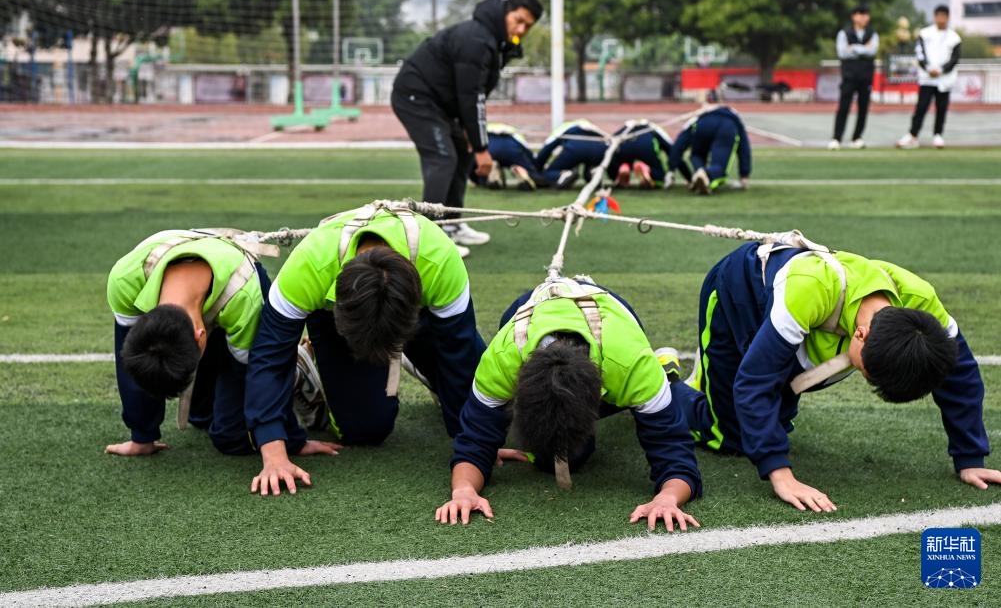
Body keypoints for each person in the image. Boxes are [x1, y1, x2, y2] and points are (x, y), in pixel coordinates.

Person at [671, 240, 1000, 512]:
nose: (865, 378)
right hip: (737, 293)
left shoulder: (921, 302)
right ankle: (666, 383)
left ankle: (714, 391)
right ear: (861, 334)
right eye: (868, 374)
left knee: (772, 420)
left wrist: (969, 456)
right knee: (729, 435)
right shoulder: (809, 290)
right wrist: (780, 474)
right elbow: (755, 381)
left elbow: (960, 371)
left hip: (799, 330)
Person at [244, 203, 486, 496]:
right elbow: (270, 354)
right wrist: (274, 454)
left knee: (475, 386)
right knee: (365, 430)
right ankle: (309, 364)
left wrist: (475, 444)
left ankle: (429, 369)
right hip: (336, 316)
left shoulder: (439, 260)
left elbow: (460, 353)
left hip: (420, 311)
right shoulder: (310, 265)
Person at [436, 277, 702, 530]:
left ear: (598, 402)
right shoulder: (503, 358)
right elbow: (473, 442)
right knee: (557, 459)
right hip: (526, 308)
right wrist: (464, 490)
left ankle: (667, 378)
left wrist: (668, 497)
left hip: (614, 315)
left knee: (582, 450)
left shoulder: (631, 365)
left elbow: (674, 452)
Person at [105, 230, 336, 460]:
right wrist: (141, 436)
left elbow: (264, 370)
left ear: (200, 335)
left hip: (237, 287)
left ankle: (297, 372)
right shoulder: (125, 280)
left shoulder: (245, 297)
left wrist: (291, 439)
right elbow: (136, 364)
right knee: (202, 417)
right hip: (203, 287)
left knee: (232, 437)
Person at [392, 0, 543, 250]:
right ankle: (429, 238)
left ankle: (451, 224)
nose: (520, 29)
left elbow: (473, 95)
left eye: (527, 26)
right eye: (518, 20)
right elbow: (471, 96)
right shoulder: (477, 40)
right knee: (443, 158)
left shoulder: (496, 43)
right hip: (416, 96)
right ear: (506, 12)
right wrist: (482, 148)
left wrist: (471, 137)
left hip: (441, 102)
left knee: (462, 153)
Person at [897, 5, 962, 150]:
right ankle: (913, 135)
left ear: (947, 17)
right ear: (934, 17)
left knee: (941, 108)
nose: (941, 19)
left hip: (945, 79)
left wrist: (941, 70)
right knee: (921, 107)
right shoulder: (925, 33)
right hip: (926, 78)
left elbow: (955, 58)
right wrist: (928, 68)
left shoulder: (954, 37)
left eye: (944, 16)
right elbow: (919, 54)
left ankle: (938, 135)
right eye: (938, 16)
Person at [828, 4, 879, 150]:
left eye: (866, 14)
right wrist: (863, 48)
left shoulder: (872, 33)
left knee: (863, 108)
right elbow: (843, 52)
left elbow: (873, 51)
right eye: (860, 14)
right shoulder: (844, 33)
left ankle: (857, 137)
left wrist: (854, 48)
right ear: (854, 16)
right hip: (849, 76)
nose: (863, 17)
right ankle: (836, 138)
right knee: (843, 107)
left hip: (866, 76)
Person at [669, 105, 751, 194]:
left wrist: (671, 170)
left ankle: (699, 172)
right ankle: (707, 174)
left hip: (702, 125)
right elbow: (744, 147)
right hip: (726, 126)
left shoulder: (699, 117)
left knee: (697, 154)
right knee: (719, 165)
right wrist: (744, 175)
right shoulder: (734, 118)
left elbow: (679, 144)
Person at [535, 119, 610, 190]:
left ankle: (563, 174)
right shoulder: (591, 126)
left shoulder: (562, 128)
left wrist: (538, 167)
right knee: (590, 164)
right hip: (599, 148)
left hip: (575, 147)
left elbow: (547, 149)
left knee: (549, 172)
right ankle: (593, 172)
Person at [471, 122, 545, 191]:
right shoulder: (515, 132)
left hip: (489, 147)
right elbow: (527, 151)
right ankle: (521, 171)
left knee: (481, 169)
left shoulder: (482, 130)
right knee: (535, 177)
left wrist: (475, 178)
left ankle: (491, 174)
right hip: (511, 148)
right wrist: (533, 170)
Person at [610, 119, 673, 189]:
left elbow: (608, 145)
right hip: (646, 147)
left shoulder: (623, 129)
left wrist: (613, 171)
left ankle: (623, 168)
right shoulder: (653, 128)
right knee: (659, 179)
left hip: (624, 145)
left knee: (619, 158)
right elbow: (672, 149)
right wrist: (672, 170)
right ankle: (646, 169)